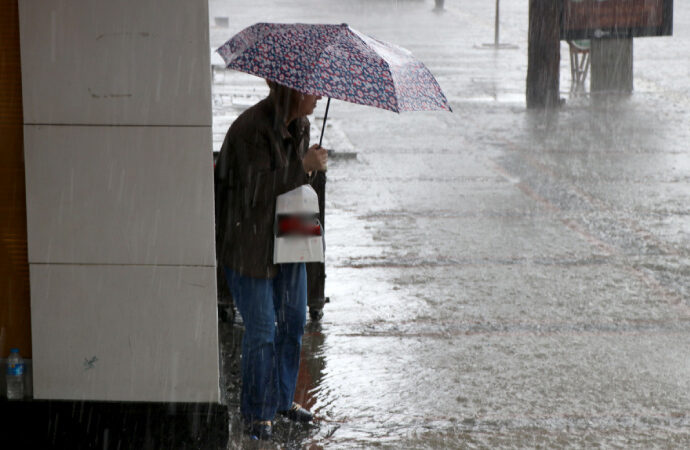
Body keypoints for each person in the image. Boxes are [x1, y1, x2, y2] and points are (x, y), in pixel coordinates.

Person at [214, 80, 328, 440]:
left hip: (289, 233)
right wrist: (302, 166)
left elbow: (294, 184)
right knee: (263, 329)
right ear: (292, 91)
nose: (319, 96)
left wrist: (309, 168)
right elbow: (253, 190)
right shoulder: (251, 129)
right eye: (312, 89)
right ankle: (257, 413)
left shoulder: (301, 125)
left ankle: (282, 400)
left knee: (294, 321)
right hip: (250, 241)